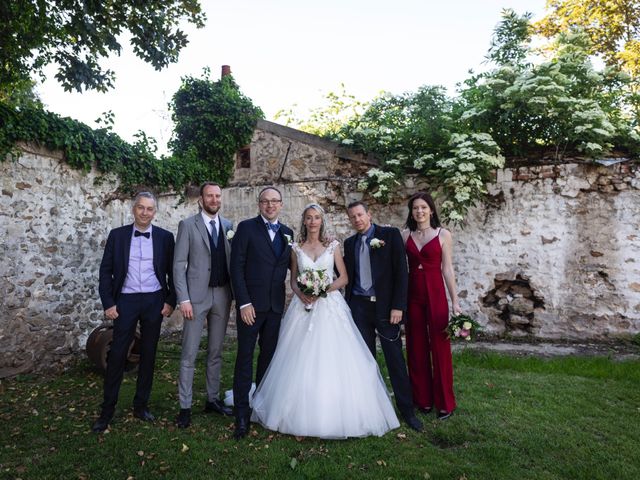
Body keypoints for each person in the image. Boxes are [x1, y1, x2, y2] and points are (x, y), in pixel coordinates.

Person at [251, 203, 400, 439]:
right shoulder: (296, 248)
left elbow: (344, 278)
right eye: (308, 218)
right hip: (303, 307)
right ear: (304, 221)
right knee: (297, 357)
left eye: (316, 218)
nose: (312, 222)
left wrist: (323, 290)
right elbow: (292, 281)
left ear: (322, 221)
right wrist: (303, 294)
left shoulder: (333, 246)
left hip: (330, 305)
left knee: (334, 356)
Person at [92, 192, 176, 433]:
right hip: (126, 300)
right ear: (133, 209)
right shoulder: (117, 236)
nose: (145, 212)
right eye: (141, 207)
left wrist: (170, 300)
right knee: (117, 354)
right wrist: (108, 303)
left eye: (150, 209)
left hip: (154, 300)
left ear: (155, 212)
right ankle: (107, 410)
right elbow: (105, 271)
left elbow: (174, 272)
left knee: (148, 354)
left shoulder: (165, 238)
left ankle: (141, 406)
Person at [344, 201, 423, 432]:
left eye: (360, 214)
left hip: (387, 309)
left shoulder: (389, 235)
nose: (357, 219)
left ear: (369, 214)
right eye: (352, 217)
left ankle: (407, 410)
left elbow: (401, 272)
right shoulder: (349, 244)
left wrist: (398, 306)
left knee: (394, 358)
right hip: (359, 307)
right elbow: (345, 273)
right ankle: (371, 408)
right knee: (365, 361)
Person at [230, 186, 294, 440]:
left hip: (275, 306)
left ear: (281, 204)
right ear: (259, 204)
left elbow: (295, 267)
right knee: (244, 357)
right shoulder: (246, 228)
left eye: (274, 201)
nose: (270, 205)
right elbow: (237, 267)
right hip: (251, 307)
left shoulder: (288, 233)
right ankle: (242, 415)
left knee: (268, 358)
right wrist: (243, 303)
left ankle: (262, 405)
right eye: (265, 201)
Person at [173, 182, 234, 429]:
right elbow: (178, 265)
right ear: (201, 199)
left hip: (222, 295)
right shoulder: (188, 226)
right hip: (195, 298)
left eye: (217, 195)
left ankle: (212, 398)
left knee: (216, 351)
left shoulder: (229, 226)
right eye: (209, 195)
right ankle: (185, 406)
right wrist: (183, 299)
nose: (214, 199)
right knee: (189, 353)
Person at [402, 192, 461, 420]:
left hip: (435, 293)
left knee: (440, 346)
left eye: (423, 207)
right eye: (415, 208)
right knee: (416, 348)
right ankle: (423, 400)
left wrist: (454, 301)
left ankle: (446, 402)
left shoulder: (443, 234)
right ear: (412, 212)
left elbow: (447, 268)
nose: (419, 212)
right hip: (413, 294)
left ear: (431, 210)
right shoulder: (405, 234)